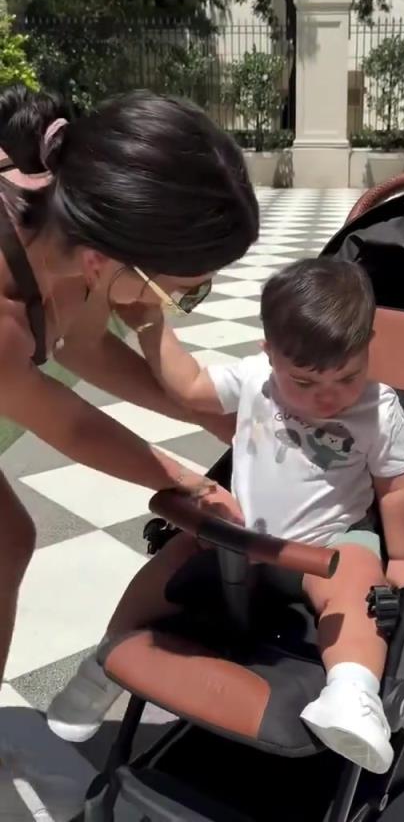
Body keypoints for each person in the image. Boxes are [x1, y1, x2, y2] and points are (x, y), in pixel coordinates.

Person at [48, 258, 404, 775]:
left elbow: (395, 488)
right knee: (162, 570)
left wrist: (403, 555)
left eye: (347, 376)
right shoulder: (254, 379)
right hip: (241, 534)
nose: (327, 396)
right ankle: (101, 666)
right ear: (269, 354)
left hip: (328, 544)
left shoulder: (378, 409)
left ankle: (352, 695)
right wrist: (152, 325)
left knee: (359, 588)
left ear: (368, 348)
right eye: (304, 381)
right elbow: (190, 387)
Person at [0, 85, 258, 778]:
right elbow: (68, 423)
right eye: (184, 291)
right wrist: (190, 484)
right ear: (105, 262)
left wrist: (218, 417)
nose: (180, 305)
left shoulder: (76, 222)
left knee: (6, 539)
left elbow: (84, 347)